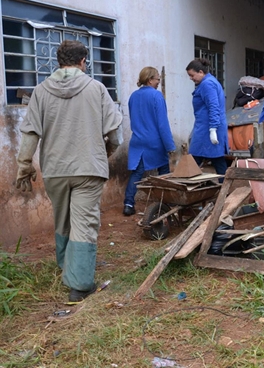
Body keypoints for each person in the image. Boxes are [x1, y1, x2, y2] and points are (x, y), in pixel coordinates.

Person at [15, 40, 122, 302]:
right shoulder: (96, 88)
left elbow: (31, 133)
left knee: (63, 220)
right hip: (88, 167)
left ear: (59, 61)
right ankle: (81, 283)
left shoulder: (41, 91)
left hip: (55, 169)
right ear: (83, 61)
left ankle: (67, 266)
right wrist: (104, 153)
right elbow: (115, 135)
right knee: (84, 223)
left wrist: (24, 166)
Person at [123, 67, 176, 216]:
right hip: (155, 142)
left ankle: (128, 204)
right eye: (157, 79)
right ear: (150, 80)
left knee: (137, 173)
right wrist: (170, 145)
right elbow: (162, 124)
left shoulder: (133, 96)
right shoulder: (157, 96)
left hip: (137, 141)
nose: (159, 82)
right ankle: (163, 203)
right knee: (164, 172)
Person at [185, 58, 229, 177]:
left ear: (200, 72)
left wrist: (213, 129)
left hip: (207, 128)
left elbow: (213, 107)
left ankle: (188, 186)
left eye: (192, 75)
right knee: (216, 158)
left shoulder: (207, 84)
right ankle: (223, 188)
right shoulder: (210, 81)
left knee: (196, 159)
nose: (191, 78)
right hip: (207, 126)